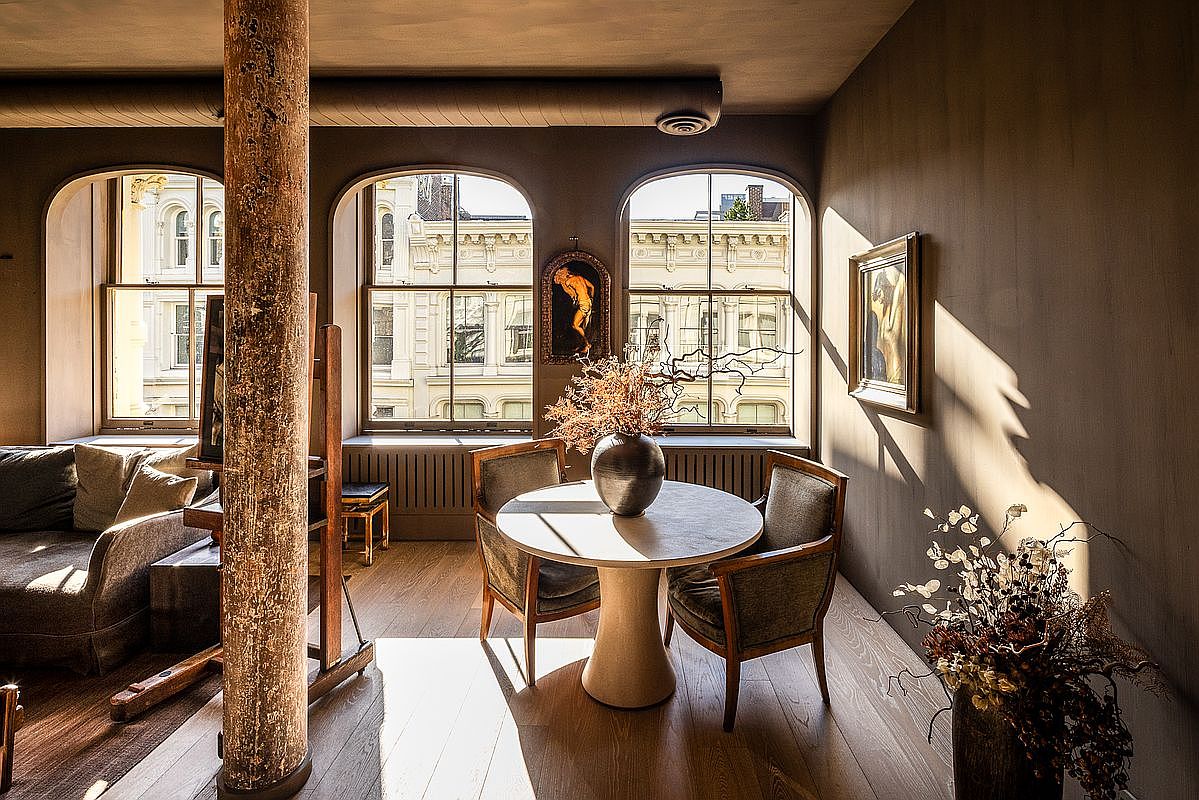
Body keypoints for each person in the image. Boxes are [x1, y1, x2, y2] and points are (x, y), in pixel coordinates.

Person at [553, 266, 596, 355]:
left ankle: (587, 344)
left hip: (583, 305)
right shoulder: (581, 278)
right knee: (581, 327)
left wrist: (562, 283)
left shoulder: (569, 281)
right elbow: (592, 287)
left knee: (575, 325)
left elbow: (572, 294)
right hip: (588, 303)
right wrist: (591, 298)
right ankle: (582, 345)